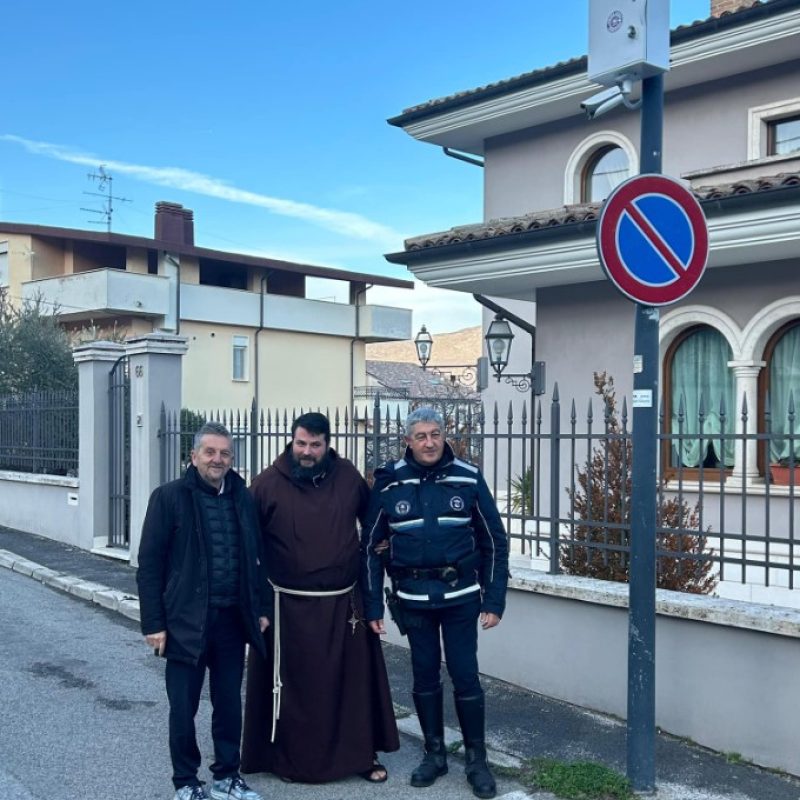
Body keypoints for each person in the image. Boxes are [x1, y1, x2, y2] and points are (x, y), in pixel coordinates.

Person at [240, 411, 399, 783]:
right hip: (286, 605)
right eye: (301, 443)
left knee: (351, 684)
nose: (307, 451)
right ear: (291, 442)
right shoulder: (266, 484)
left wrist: (384, 546)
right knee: (295, 686)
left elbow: (374, 521)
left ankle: (360, 756)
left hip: (345, 604)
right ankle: (286, 758)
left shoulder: (347, 478)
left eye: (315, 444)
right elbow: (247, 545)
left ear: (327, 444)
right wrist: (257, 601)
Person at [361, 406, 509, 800]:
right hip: (412, 601)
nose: (429, 442)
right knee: (424, 677)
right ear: (407, 440)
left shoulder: (468, 476)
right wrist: (373, 607)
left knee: (466, 676)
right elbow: (370, 550)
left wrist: (494, 599)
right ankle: (435, 754)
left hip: (460, 598)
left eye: (435, 434)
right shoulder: (390, 482)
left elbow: (494, 540)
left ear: (444, 436)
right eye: (421, 435)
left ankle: (477, 760)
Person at [137, 422, 271, 800]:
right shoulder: (169, 498)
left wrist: (259, 607)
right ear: (193, 456)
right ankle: (186, 782)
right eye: (209, 452)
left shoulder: (242, 498)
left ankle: (227, 776)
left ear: (232, 458)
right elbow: (149, 566)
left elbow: (257, 557)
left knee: (229, 703)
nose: (217, 459)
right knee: (184, 708)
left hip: (232, 621)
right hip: (184, 624)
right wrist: (154, 624)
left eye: (224, 453)